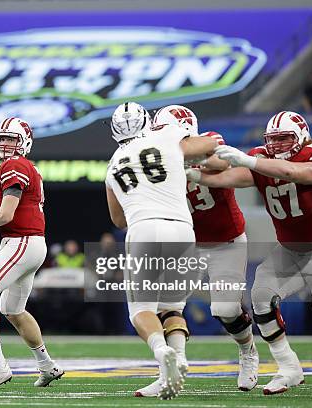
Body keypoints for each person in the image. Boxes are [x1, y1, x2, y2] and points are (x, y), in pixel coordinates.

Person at [187, 110, 312, 394]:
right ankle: (289, 367)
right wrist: (195, 175)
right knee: (261, 297)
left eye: (284, 139)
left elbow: (302, 173)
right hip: (290, 250)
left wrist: (253, 160)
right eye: (273, 140)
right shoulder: (260, 158)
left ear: (301, 137)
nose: (277, 145)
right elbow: (235, 178)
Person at [104, 102, 218, 399]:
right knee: (172, 307)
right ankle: (177, 361)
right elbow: (210, 143)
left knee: (141, 311)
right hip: (183, 229)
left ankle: (162, 352)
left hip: (144, 229)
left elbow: (117, 219)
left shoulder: (113, 163)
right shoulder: (167, 135)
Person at [149, 105, 259, 395]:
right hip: (187, 242)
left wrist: (186, 167)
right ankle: (170, 371)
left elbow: (222, 164)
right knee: (165, 306)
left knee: (225, 309)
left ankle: (248, 350)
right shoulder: (159, 157)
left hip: (226, 240)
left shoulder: (209, 139)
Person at [0, 117, 64, 389]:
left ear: (24, 143)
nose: (5, 144)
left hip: (21, 243)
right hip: (28, 243)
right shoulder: (25, 166)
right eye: (2, 138)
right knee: (13, 309)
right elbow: (11, 214)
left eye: (11, 138)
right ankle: (47, 365)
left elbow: (6, 213)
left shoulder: (14, 165)